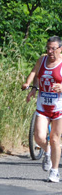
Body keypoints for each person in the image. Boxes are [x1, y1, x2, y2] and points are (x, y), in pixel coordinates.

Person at [22, 36, 62, 183]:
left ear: (60, 49)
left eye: (53, 48)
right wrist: (31, 86)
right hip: (43, 106)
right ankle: (47, 150)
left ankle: (54, 171)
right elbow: (35, 72)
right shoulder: (42, 60)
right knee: (39, 137)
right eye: (48, 48)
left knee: (55, 139)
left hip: (59, 107)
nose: (50, 51)